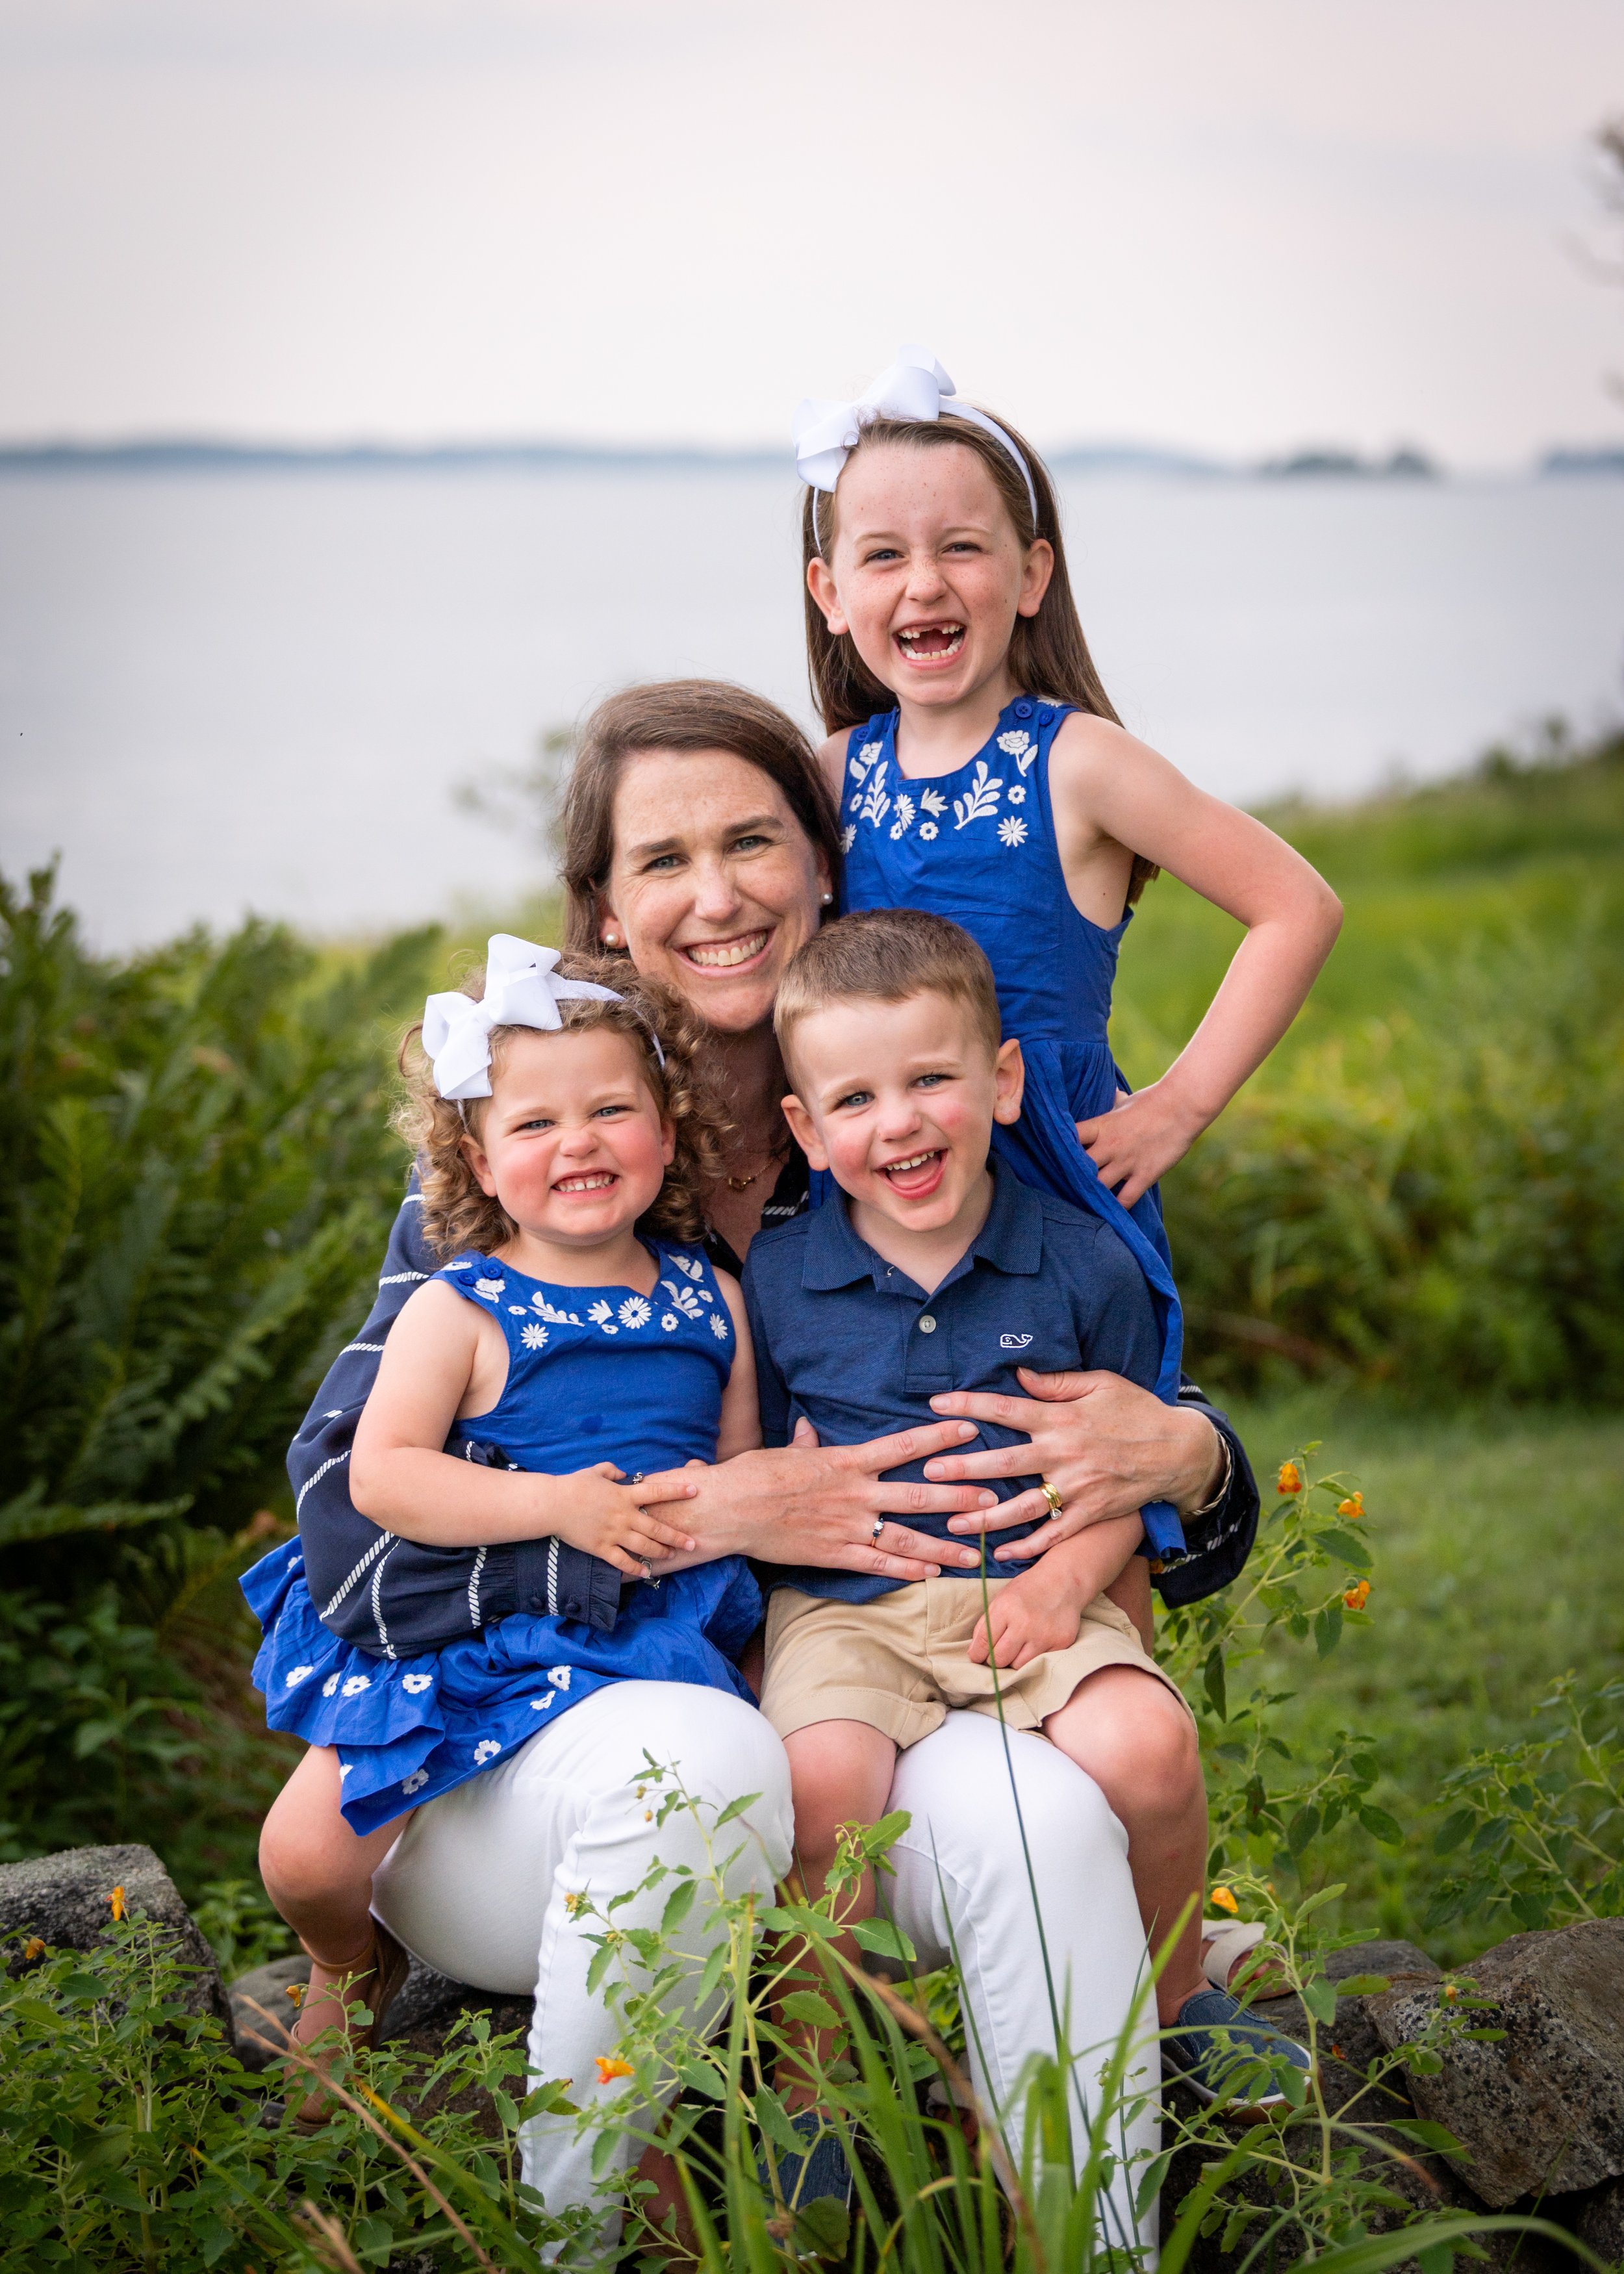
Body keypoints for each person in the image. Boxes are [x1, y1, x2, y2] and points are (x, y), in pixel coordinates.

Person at [283, 679, 1265, 2249]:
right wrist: (700, 1515)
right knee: (716, 1767)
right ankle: (632, 2190)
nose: (717, 892)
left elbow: (1112, 1399)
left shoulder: (929, 1105)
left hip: (881, 1679)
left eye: (753, 841)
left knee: (1058, 1825)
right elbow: (347, 1523)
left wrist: (1196, 1453)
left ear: (826, 863)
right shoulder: (544, 1169)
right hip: (597, 1744)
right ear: (603, 910)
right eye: (660, 860)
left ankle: (1083, 2209)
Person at [796, 346, 1342, 1616]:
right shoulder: (824, 781)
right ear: (828, 590)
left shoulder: (1078, 764)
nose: (922, 583)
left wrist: (1178, 1104)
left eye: (962, 548)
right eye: (881, 554)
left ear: (1031, 573)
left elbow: (1292, 904)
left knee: (1082, 1508)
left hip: (1051, 1179)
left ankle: (1114, 1752)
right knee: (911, 1501)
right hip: (885, 1188)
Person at [746, 909, 1310, 2133]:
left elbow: (1134, 1477)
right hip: (855, 1611)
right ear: (805, 1126)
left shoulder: (1085, 1262)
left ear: (1004, 1082)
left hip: (1043, 1586)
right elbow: (769, 1470)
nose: (897, 1121)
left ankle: (1169, 2007)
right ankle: (811, 2077)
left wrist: (1067, 1589)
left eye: (931, 1079)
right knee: (820, 1782)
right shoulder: (779, 1277)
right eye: (854, 1098)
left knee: (1151, 1751)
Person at [249, 941, 771, 2125]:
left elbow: (741, 1478)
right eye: (535, 1125)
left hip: (646, 1623)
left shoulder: (710, 1300)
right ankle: (348, 1962)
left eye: (609, 1111)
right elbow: (383, 1478)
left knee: (687, 1800)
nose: (577, 1143)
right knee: (303, 1857)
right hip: (473, 1621)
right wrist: (558, 1507)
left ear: (668, 1127)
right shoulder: (459, 1304)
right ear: (479, 1160)